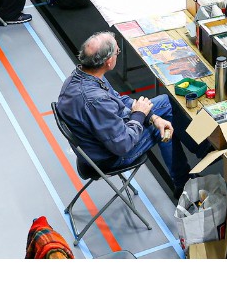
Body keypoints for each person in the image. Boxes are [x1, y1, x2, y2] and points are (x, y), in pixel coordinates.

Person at [56, 30, 191, 194]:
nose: (118, 55)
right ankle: (183, 184)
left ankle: (199, 152)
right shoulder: (96, 101)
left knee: (165, 102)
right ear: (108, 61)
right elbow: (123, 145)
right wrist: (140, 115)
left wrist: (152, 116)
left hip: (97, 140)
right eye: (117, 52)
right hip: (110, 157)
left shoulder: (84, 75)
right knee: (165, 126)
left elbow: (118, 100)